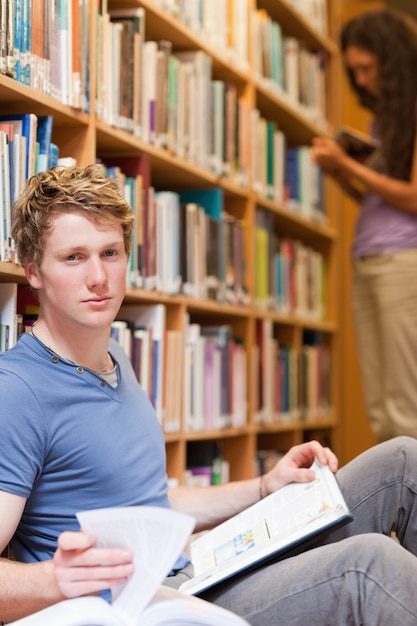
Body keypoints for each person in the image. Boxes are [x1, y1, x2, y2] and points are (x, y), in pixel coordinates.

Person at [2, 164, 417, 625]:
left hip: (192, 571)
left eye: (111, 253)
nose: (99, 277)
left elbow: (152, 504)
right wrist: (54, 580)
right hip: (147, 605)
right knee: (368, 567)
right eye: (74, 258)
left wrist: (263, 488)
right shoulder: (18, 392)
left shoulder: (114, 354)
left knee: (402, 462)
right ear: (33, 269)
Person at [311, 8, 417, 443]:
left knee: (404, 401)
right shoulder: (385, 122)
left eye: (368, 69)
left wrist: (350, 167)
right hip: (369, 260)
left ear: (392, 62)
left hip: (402, 261)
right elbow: (383, 198)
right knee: (380, 405)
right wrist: (345, 175)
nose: (364, 81)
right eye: (355, 72)